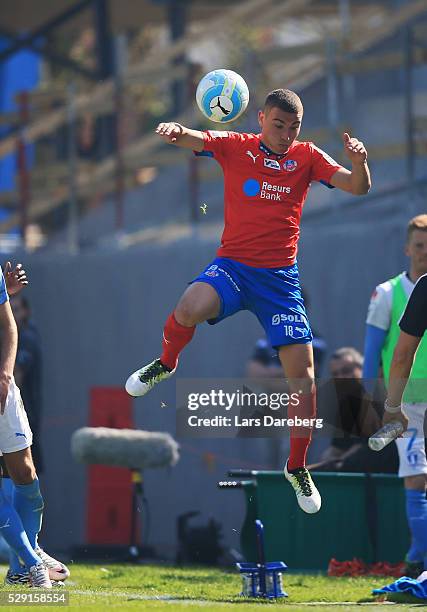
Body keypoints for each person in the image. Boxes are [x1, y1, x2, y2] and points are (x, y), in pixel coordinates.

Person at [126, 88, 371, 514]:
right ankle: (166, 364)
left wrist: (360, 161)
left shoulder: (308, 156)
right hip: (234, 268)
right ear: (261, 118)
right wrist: (174, 129)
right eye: (279, 125)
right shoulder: (236, 147)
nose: (285, 134)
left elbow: (357, 187)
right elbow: (197, 138)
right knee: (188, 307)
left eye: (293, 127)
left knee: (303, 375)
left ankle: (297, 467)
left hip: (279, 282)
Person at [363, 215, 427, 577]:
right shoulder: (388, 293)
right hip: (409, 401)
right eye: (419, 246)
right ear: (407, 249)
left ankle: (417, 557)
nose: (425, 254)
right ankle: (418, 558)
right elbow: (373, 351)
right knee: (416, 477)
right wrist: (376, 400)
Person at [0, 263, 69, 587]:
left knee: (26, 477)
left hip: (5, 393)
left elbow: (9, 328)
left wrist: (4, 376)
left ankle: (25, 560)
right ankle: (30, 562)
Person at [314, 347, 398, 473]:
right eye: (335, 374)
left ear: (363, 369)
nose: (341, 378)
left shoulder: (382, 397)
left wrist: (337, 463)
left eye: (346, 371)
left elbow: (367, 448)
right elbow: (336, 449)